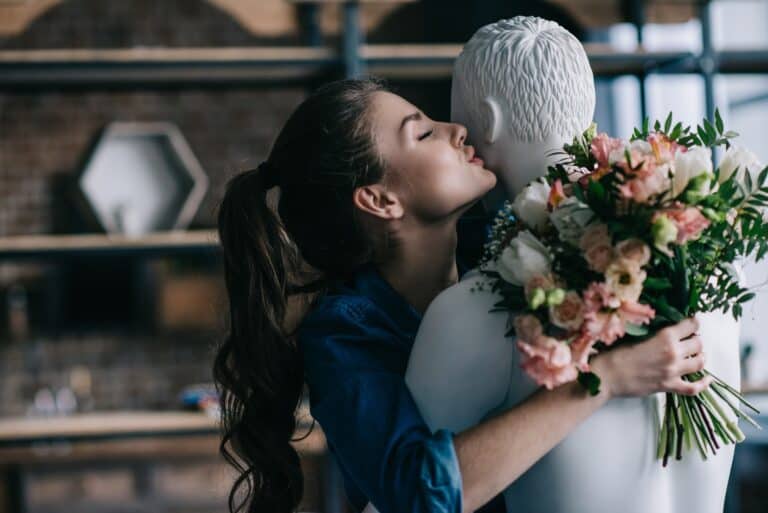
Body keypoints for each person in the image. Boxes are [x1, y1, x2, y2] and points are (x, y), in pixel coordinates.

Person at [212, 78, 712, 513]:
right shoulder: (346, 334)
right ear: (380, 200)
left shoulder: (513, 256)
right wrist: (607, 378)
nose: (457, 131)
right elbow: (420, 494)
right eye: (425, 133)